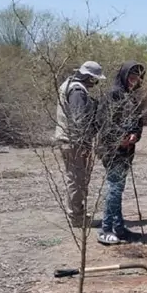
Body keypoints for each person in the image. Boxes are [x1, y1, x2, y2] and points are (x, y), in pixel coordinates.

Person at [96, 61, 146, 245]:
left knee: (118, 188)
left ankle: (118, 228)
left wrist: (135, 136)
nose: (135, 80)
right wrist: (120, 138)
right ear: (124, 75)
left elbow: (139, 123)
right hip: (112, 150)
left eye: (138, 77)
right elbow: (103, 122)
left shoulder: (133, 97)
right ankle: (106, 229)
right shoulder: (112, 95)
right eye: (132, 76)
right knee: (114, 189)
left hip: (127, 150)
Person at [54, 61, 106, 227]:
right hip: (74, 141)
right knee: (77, 180)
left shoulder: (68, 85)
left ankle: (77, 213)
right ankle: (76, 217)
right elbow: (79, 120)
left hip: (70, 139)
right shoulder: (77, 90)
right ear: (89, 77)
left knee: (75, 179)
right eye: (95, 79)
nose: (95, 83)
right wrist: (85, 142)